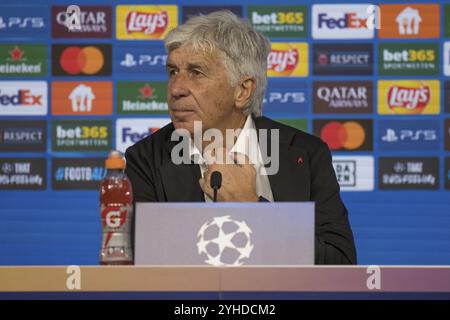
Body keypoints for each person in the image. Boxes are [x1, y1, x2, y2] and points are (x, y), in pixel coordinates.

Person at [125, 11, 357, 265]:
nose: (176, 89)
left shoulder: (305, 153)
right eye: (172, 71)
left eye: (196, 72)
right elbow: (147, 265)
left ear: (243, 91)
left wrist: (252, 208)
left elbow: (339, 265)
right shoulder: (146, 158)